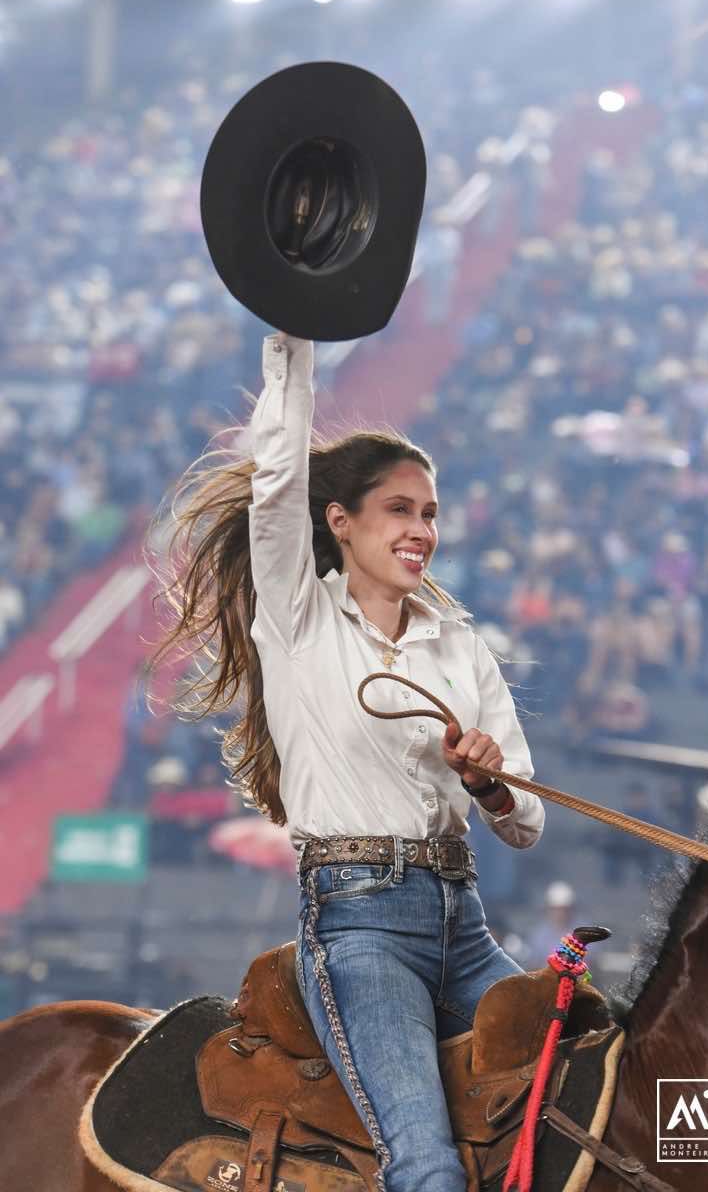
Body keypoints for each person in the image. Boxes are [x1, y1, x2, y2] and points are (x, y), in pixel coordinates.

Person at [147, 331, 545, 1192]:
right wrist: (293, 338)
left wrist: (487, 783)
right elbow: (279, 483)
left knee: (576, 1107)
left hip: (464, 926)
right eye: (400, 509)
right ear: (341, 522)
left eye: (430, 513)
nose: (421, 530)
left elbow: (526, 824)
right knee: (427, 1164)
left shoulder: (460, 645)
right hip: (360, 927)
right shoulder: (298, 618)